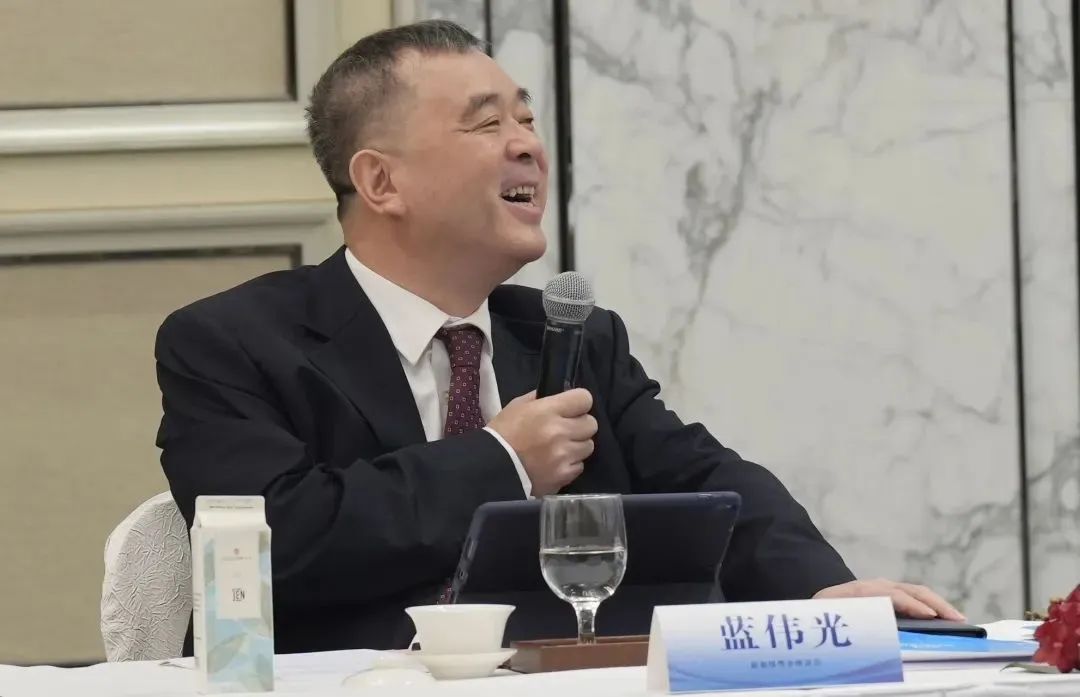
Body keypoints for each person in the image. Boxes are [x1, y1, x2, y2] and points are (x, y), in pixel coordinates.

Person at [155, 20, 963, 654]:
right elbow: (276, 546)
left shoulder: (571, 337)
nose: (527, 145)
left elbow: (704, 477)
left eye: (528, 118)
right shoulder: (232, 343)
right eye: (487, 123)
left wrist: (820, 591)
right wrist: (501, 461)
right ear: (380, 181)